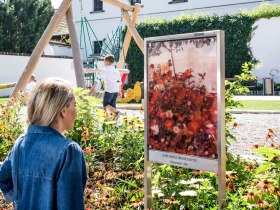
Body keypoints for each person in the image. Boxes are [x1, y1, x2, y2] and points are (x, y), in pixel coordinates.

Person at [0, 78, 87, 210]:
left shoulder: (21, 142)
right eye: (74, 105)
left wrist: (21, 200)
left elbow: (3, 178)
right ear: (63, 111)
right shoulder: (68, 151)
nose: (76, 112)